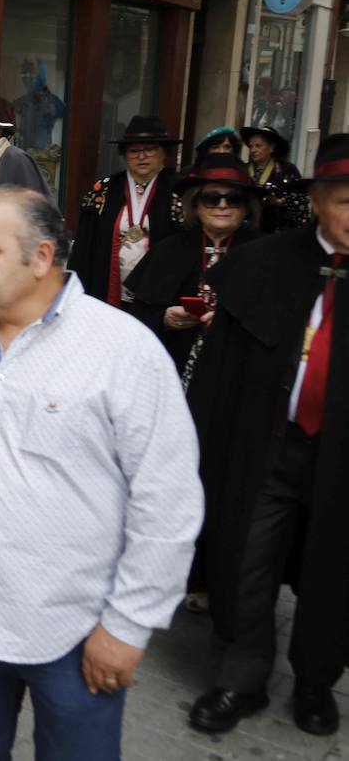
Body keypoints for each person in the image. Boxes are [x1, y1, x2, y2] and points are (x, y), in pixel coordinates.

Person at [0, 186, 203, 760]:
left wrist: (128, 626)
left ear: (40, 258)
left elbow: (168, 500)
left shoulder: (122, 350)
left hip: (76, 633)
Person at [186, 134, 349, 737]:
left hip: (342, 458)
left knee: (334, 568)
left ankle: (315, 680)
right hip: (267, 445)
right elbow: (218, 375)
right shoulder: (262, 263)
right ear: (320, 201)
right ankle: (240, 678)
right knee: (246, 558)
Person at [126, 152, 265, 384]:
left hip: (241, 375)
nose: (222, 206)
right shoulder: (168, 250)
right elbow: (138, 317)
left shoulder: (265, 252)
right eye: (211, 198)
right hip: (175, 371)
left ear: (247, 207)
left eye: (234, 199)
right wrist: (164, 317)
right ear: (195, 204)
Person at [70, 114, 183, 307]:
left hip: (159, 298)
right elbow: (84, 247)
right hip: (107, 294)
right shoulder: (106, 189)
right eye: (134, 151)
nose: (141, 156)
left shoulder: (180, 190)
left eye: (149, 150)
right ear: (124, 154)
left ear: (164, 152)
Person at [242, 125, 311, 233]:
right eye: (251, 146)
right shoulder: (243, 170)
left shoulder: (287, 170)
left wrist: (283, 203)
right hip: (247, 231)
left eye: (258, 146)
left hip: (276, 232)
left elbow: (300, 204)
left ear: (272, 147)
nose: (253, 150)